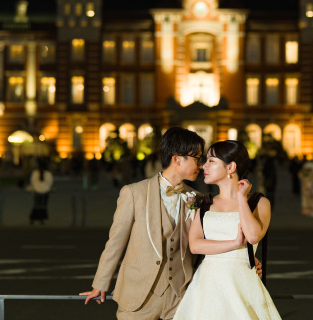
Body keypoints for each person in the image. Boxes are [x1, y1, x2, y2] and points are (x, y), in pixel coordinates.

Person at [80, 127, 206, 319]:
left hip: (179, 297)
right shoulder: (134, 193)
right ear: (177, 158)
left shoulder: (197, 198)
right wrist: (101, 283)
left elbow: (205, 243)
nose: (201, 164)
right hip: (138, 296)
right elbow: (115, 242)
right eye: (197, 158)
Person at [174, 140, 280, 320]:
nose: (203, 166)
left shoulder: (259, 202)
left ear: (231, 167)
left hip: (242, 280)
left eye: (211, 161)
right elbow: (195, 245)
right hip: (207, 284)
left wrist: (241, 198)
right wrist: (234, 243)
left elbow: (253, 236)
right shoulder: (205, 203)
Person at [27, 158, 54, 224]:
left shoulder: (35, 173)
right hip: (45, 191)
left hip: (37, 191)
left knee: (36, 205)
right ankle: (41, 218)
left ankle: (33, 218)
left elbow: (32, 181)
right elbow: (50, 182)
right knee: (43, 205)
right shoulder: (48, 173)